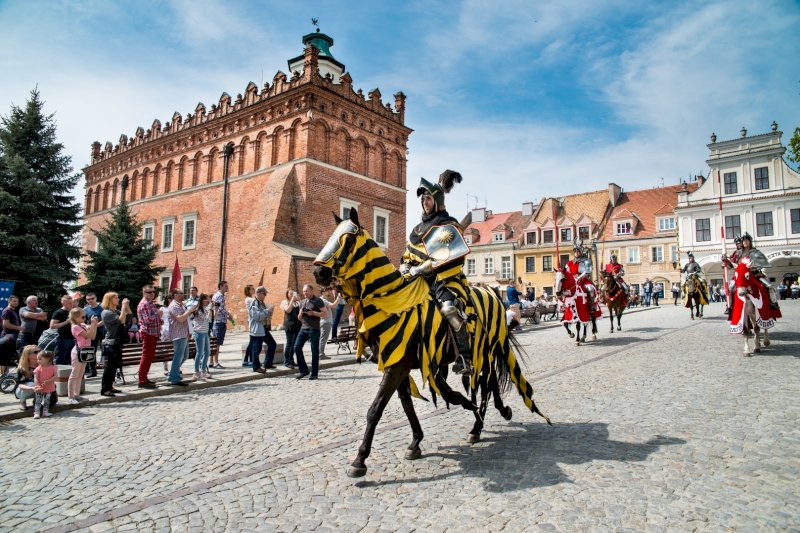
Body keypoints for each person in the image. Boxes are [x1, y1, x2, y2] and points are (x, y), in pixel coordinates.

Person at [399, 170, 472, 374]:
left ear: (437, 200)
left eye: (428, 198)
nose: (424, 201)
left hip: (444, 280)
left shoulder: (448, 225)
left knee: (449, 310)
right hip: (417, 281)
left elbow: (446, 255)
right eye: (423, 198)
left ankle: (466, 358)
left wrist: (418, 269)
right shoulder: (416, 230)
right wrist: (405, 266)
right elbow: (406, 256)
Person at [100, 292, 129, 397]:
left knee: (114, 366)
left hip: (118, 341)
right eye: (115, 298)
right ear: (109, 300)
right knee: (109, 367)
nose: (118, 299)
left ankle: (110, 386)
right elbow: (121, 321)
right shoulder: (106, 313)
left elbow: (128, 317)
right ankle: (105, 389)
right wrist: (123, 307)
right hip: (111, 342)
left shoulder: (115, 311)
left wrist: (126, 307)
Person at [293, 284, 326, 380]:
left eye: (306, 291)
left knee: (314, 351)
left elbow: (324, 314)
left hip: (314, 329)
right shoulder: (302, 302)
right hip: (304, 328)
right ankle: (304, 370)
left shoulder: (318, 300)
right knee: (297, 348)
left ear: (311, 291)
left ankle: (314, 374)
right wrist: (301, 313)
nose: (305, 293)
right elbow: (299, 318)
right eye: (303, 291)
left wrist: (313, 313)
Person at [69, 307, 99, 404]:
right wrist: (93, 325)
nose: (84, 318)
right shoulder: (75, 327)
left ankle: (77, 395)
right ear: (76, 317)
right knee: (74, 374)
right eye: (82, 317)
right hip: (78, 352)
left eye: (85, 316)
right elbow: (87, 336)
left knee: (81, 374)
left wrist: (93, 325)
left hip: (85, 351)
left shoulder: (82, 325)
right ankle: (71, 397)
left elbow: (92, 336)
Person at [15, 345, 58, 411]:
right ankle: (22, 402)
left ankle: (37, 402)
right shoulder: (22, 368)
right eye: (35, 352)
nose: (39, 353)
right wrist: (32, 388)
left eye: (40, 351)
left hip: (40, 388)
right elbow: (20, 385)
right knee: (32, 383)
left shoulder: (44, 365)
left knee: (52, 388)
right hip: (24, 390)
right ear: (28, 355)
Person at [167, 288, 195, 386]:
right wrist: (190, 310)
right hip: (178, 335)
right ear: (175, 295)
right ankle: (175, 378)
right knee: (178, 357)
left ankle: (172, 374)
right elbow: (181, 319)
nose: (183, 294)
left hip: (184, 333)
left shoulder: (181, 304)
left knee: (185, 356)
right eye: (181, 293)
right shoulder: (173, 306)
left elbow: (186, 318)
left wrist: (189, 330)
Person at [567, 240, 601, 317]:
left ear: (581, 251)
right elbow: (566, 271)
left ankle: (592, 305)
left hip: (583, 280)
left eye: (578, 251)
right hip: (573, 281)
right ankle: (565, 306)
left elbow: (588, 271)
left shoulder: (586, 260)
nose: (576, 253)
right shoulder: (570, 262)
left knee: (590, 289)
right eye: (575, 251)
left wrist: (579, 277)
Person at [137, 285, 162, 389]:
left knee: (149, 356)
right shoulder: (145, 304)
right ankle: (142, 380)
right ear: (144, 293)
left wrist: (160, 320)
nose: (152, 294)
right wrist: (158, 314)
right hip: (148, 333)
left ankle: (144, 378)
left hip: (153, 333)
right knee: (146, 356)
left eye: (153, 292)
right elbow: (147, 320)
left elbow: (153, 318)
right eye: (149, 292)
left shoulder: (150, 303)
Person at [247, 286, 277, 373]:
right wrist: (267, 311)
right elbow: (257, 317)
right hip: (257, 330)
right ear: (259, 293)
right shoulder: (254, 303)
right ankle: (256, 367)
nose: (265, 296)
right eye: (264, 294)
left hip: (263, 328)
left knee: (272, 344)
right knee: (256, 349)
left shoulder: (261, 302)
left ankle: (267, 363)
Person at [190, 293, 212, 380]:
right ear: (202, 300)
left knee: (207, 352)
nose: (208, 301)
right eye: (207, 300)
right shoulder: (198, 310)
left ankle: (203, 371)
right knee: (199, 352)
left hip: (205, 333)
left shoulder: (205, 309)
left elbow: (209, 320)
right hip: (199, 333)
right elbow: (205, 319)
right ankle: (196, 372)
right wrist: (210, 309)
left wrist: (215, 310)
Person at [83, 292, 104, 377]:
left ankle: (107, 368)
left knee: (105, 350)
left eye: (92, 298)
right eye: (88, 299)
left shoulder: (102, 307)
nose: (91, 300)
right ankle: (92, 371)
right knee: (91, 351)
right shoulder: (85, 309)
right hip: (92, 332)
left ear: (96, 298)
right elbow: (83, 321)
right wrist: (88, 326)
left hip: (102, 331)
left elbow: (104, 320)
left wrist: (95, 325)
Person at [32, 350, 57, 419]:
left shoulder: (53, 367)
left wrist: (49, 381)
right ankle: (36, 412)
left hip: (49, 387)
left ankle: (45, 412)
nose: (38, 361)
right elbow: (35, 378)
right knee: (38, 401)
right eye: (37, 359)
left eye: (40, 359)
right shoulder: (38, 368)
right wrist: (37, 385)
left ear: (48, 359)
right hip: (40, 388)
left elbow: (55, 376)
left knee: (47, 400)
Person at [280, 289, 301, 368]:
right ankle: (287, 361)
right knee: (289, 343)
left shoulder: (297, 302)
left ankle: (292, 360)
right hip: (290, 324)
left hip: (297, 324)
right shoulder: (285, 302)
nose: (292, 295)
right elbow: (288, 310)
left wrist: (299, 300)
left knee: (295, 344)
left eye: (293, 293)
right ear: (287, 294)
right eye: (291, 293)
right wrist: (292, 300)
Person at [319, 287, 341, 359]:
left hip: (324, 321)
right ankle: (321, 354)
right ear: (323, 292)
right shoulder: (323, 301)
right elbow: (333, 306)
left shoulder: (322, 300)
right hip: (325, 322)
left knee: (322, 338)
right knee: (323, 339)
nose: (328, 292)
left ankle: (320, 353)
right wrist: (339, 296)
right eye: (326, 291)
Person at [242, 284, 256, 367]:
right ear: (249, 290)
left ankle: (246, 359)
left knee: (251, 341)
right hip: (252, 322)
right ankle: (250, 360)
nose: (253, 290)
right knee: (252, 342)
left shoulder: (251, 299)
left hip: (252, 322)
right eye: (252, 289)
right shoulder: (249, 299)